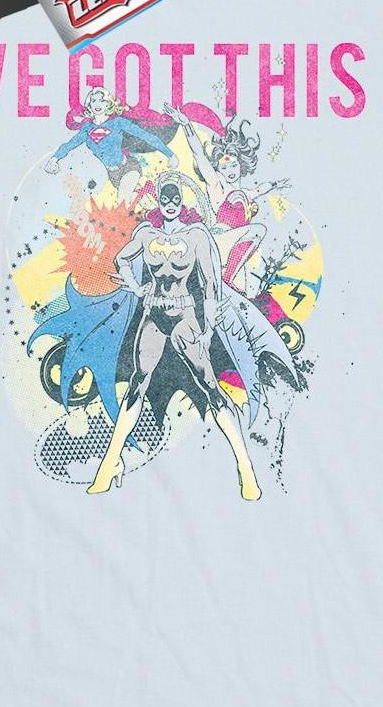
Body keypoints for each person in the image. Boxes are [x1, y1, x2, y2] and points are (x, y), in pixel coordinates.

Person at [87, 176, 262, 500]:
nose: (170, 204)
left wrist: (208, 328)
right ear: (158, 200)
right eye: (165, 198)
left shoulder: (196, 235)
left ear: (182, 201)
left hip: (185, 317)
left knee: (210, 386)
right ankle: (109, 464)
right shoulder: (146, 234)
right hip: (153, 315)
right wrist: (137, 287)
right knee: (138, 383)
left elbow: (211, 283)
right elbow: (122, 260)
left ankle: (245, 466)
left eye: (175, 198)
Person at [164, 106, 288, 293]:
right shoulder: (217, 187)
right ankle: (225, 280)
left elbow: (260, 189)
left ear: (241, 165)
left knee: (243, 295)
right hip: (218, 241)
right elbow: (199, 154)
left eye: (233, 165)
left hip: (235, 252)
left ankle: (226, 280)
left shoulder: (246, 193)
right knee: (259, 230)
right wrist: (187, 124)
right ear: (218, 169)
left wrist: (277, 184)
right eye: (224, 167)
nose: (230, 171)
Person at [45, 87, 176, 206]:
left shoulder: (117, 122)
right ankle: (145, 190)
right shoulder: (87, 129)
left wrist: (171, 155)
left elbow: (146, 136)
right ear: (89, 105)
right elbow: (69, 145)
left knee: (122, 203)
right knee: (142, 204)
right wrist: (53, 159)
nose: (97, 104)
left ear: (108, 104)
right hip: (113, 175)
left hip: (128, 167)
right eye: (94, 101)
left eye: (102, 101)